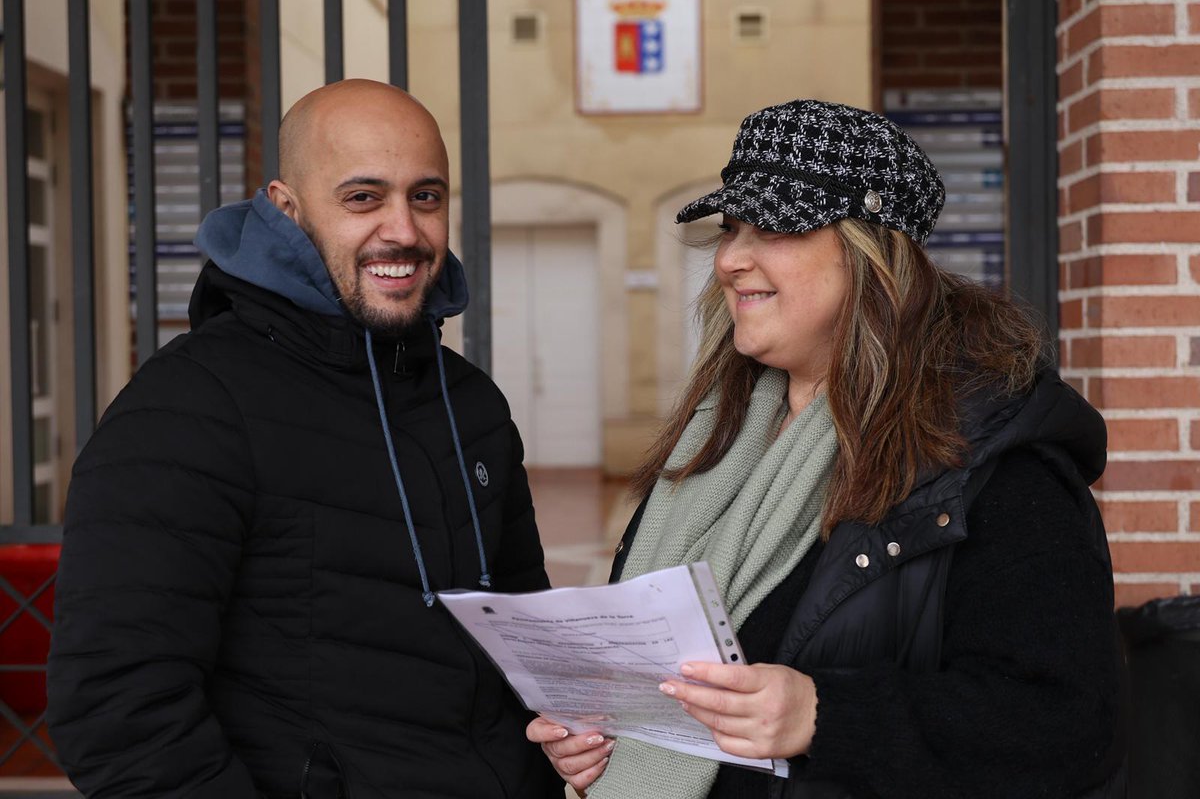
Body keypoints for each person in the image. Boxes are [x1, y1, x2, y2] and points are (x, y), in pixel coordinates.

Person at [528, 99, 1126, 798]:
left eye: (773, 228)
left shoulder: (991, 461)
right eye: (730, 229)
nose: (728, 260)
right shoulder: (717, 436)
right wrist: (599, 737)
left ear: (872, 250)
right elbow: (656, 671)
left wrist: (826, 714)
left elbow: (1068, 724)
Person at [47, 79, 561, 799]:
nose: (404, 231)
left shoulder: (472, 404)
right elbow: (117, 708)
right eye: (362, 198)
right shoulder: (191, 406)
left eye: (426, 196)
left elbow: (524, 640)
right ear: (285, 208)